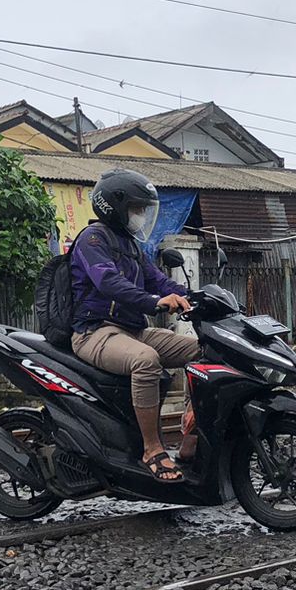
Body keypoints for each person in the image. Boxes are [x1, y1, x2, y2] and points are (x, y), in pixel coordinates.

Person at [70, 169, 198, 483]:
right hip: (95, 331)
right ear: (114, 206)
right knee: (146, 361)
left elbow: (159, 280)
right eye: (137, 209)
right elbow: (108, 282)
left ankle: (192, 436)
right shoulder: (93, 239)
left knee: (204, 350)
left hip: (132, 329)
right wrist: (154, 302)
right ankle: (152, 449)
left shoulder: (130, 245)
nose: (141, 215)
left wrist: (197, 298)